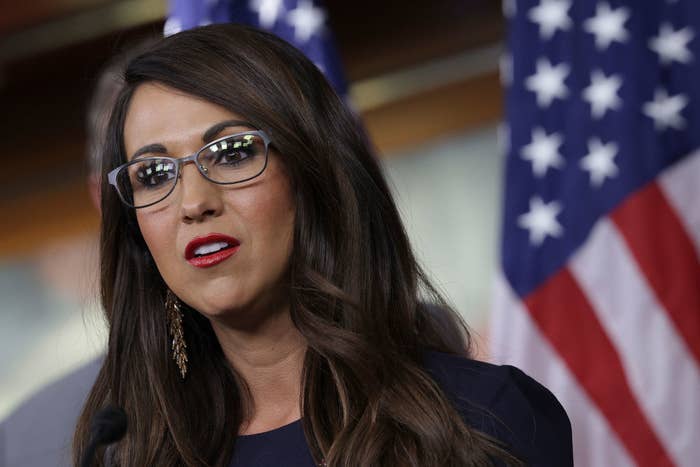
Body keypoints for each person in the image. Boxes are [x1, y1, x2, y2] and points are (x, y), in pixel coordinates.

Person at [73, 24, 572, 466]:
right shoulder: (123, 452)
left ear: (311, 176)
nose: (194, 202)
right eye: (154, 173)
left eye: (232, 153)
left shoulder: (483, 421)